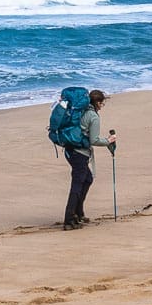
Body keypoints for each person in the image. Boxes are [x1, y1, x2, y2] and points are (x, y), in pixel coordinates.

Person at [58, 89, 113, 229]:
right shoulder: (93, 117)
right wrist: (109, 141)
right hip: (79, 153)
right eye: (102, 103)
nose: (102, 106)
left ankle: (78, 212)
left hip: (70, 150)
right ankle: (69, 219)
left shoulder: (81, 110)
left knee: (87, 179)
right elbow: (94, 140)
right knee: (77, 184)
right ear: (98, 103)